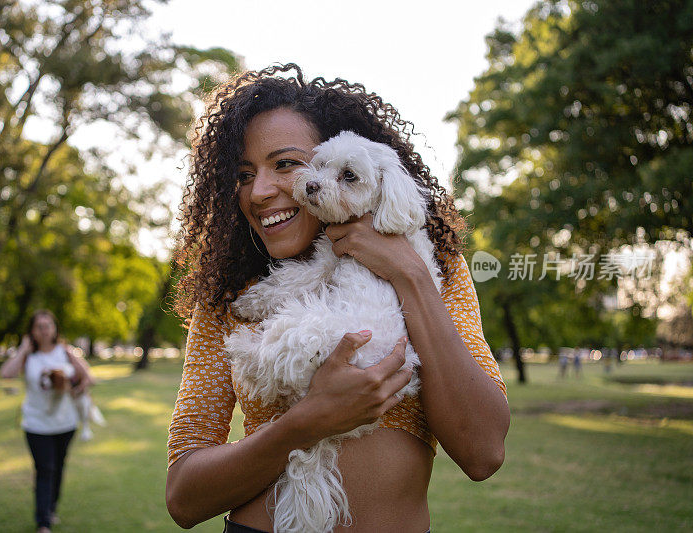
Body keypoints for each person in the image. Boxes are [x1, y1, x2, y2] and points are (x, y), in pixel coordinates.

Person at [165, 64, 510, 532]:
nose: (260, 191)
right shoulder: (231, 298)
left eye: (285, 164)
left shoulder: (437, 272)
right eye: (244, 174)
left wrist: (408, 274)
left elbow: (484, 452)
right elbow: (184, 498)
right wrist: (304, 423)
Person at [0, 309, 95, 533]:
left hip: (65, 423)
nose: (44, 330)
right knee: (45, 469)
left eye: (48, 325)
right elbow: (6, 373)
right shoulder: (28, 355)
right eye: (39, 326)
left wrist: (79, 381)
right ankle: (43, 523)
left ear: (54, 328)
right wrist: (23, 348)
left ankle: (50, 509)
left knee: (58, 468)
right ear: (32, 331)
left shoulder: (64, 352)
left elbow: (88, 376)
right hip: (36, 423)